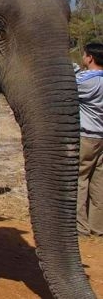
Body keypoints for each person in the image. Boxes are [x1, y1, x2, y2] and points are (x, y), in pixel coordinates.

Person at [76, 42, 103, 237]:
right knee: (99, 182)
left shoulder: (86, 81)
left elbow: (67, 88)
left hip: (87, 137)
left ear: (90, 58)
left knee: (80, 179)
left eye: (84, 55)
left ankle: (80, 227)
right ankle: (98, 227)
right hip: (102, 138)